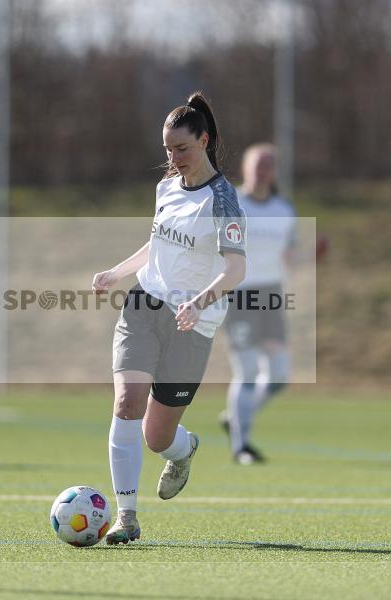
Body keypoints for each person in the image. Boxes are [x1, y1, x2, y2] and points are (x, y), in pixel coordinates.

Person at [92, 92, 246, 544]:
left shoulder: (222, 200)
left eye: (181, 149)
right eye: (166, 150)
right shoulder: (165, 187)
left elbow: (237, 268)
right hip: (145, 304)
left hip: (193, 322)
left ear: (204, 140)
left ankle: (184, 449)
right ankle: (127, 517)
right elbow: (157, 245)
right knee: (127, 402)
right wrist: (117, 273)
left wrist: (200, 300)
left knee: (157, 437)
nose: (173, 158)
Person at [221, 143, 304, 465]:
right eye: (258, 163)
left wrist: (309, 255)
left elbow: (289, 255)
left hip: (270, 295)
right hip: (239, 294)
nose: (263, 169)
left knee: (279, 375)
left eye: (269, 164)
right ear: (245, 168)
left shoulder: (284, 210)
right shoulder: (232, 204)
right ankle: (240, 446)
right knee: (248, 370)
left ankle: (235, 417)